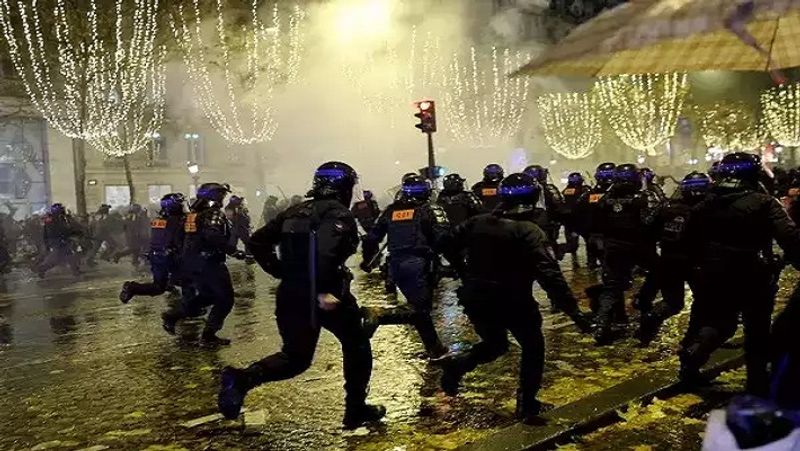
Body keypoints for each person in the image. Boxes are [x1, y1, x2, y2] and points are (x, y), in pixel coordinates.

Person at [217, 162, 385, 429]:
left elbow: (258, 241)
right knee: (357, 343)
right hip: (324, 294)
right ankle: (356, 408)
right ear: (343, 186)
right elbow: (324, 255)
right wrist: (323, 291)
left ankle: (242, 379)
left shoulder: (295, 211)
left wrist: (281, 271)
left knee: (295, 358)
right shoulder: (338, 214)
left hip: (291, 292)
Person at [438, 173, 593, 424]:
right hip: (513, 299)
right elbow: (550, 275)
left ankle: (458, 366)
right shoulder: (530, 231)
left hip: (477, 297)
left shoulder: (477, 222)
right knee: (533, 346)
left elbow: (444, 242)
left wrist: (464, 271)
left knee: (495, 344)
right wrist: (574, 312)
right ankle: (527, 403)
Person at [680, 153, 800, 396]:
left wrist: (698, 268)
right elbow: (790, 238)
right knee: (756, 329)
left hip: (713, 273)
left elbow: (687, 239)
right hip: (753, 274)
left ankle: (692, 358)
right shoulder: (765, 202)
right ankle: (756, 384)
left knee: (719, 322)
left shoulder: (705, 203)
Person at [361, 174, 453, 358]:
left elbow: (372, 238)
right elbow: (444, 238)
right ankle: (380, 315)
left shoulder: (390, 211)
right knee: (419, 309)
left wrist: (367, 260)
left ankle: (435, 349)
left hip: (396, 265)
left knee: (419, 308)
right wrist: (454, 262)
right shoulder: (429, 209)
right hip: (419, 263)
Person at [161, 183, 242, 346]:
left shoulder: (193, 214)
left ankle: (174, 316)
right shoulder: (213, 213)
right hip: (210, 263)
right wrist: (232, 250)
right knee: (226, 299)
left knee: (208, 296)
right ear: (214, 196)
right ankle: (208, 335)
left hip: (194, 263)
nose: (222, 198)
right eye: (221, 195)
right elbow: (212, 236)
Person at [637, 172, 711, 345]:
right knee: (702, 300)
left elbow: (648, 230)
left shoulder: (667, 208)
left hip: (669, 259)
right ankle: (692, 337)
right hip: (697, 262)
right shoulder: (706, 211)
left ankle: (650, 320)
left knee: (672, 302)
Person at [593, 163, 662, 345]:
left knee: (611, 286)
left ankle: (601, 324)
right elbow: (653, 220)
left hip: (614, 247)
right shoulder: (644, 197)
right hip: (639, 246)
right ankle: (644, 301)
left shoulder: (606, 198)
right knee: (660, 272)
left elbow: (597, 220)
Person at [119, 194, 186, 304]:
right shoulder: (177, 221)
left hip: (156, 255)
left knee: (159, 286)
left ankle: (133, 288)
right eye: (180, 204)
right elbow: (177, 240)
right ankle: (186, 308)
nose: (183, 207)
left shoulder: (159, 220)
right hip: (170, 256)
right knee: (189, 280)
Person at [574, 163, 616, 270]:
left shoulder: (589, 194)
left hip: (593, 234)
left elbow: (578, 211)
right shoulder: (615, 195)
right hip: (610, 236)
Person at [524, 164, 565, 258]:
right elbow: (559, 204)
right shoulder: (549, 188)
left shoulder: (524, 189)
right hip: (545, 224)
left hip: (534, 223)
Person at [36, 203, 81, 278]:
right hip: (57, 242)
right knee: (55, 259)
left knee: (69, 256)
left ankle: (75, 270)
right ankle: (41, 269)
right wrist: (71, 232)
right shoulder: (52, 221)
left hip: (62, 241)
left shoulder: (60, 219)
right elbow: (59, 231)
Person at [560, 172, 591, 267]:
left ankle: (588, 262)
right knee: (588, 243)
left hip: (571, 222)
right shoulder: (585, 190)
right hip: (580, 221)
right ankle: (591, 262)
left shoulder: (566, 191)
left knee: (573, 245)